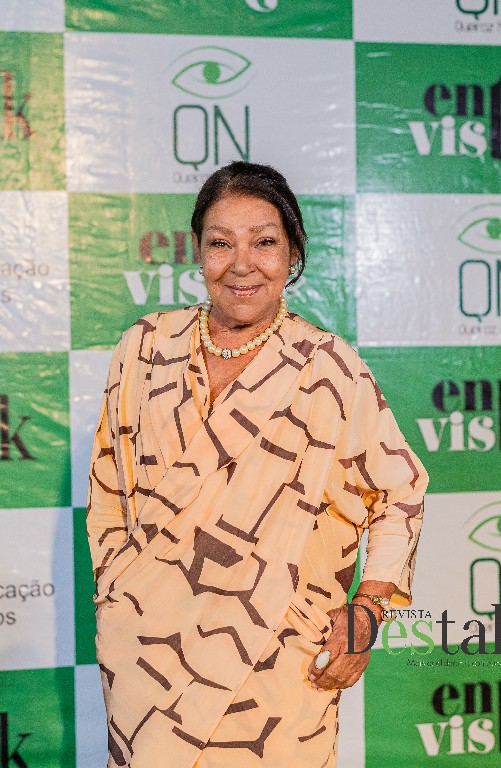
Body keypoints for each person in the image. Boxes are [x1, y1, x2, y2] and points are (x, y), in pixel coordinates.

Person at [87, 161, 428, 768]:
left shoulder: (329, 368)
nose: (241, 264)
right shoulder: (144, 347)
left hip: (275, 665)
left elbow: (399, 493)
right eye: (221, 243)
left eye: (264, 242)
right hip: (145, 662)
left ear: (292, 252)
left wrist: (365, 613)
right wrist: (119, 590)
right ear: (198, 251)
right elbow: (108, 485)